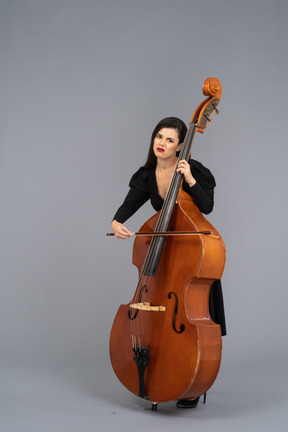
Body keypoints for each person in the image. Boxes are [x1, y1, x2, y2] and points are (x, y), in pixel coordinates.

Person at [111, 117, 226, 408]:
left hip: (187, 255)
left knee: (188, 311)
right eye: (159, 137)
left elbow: (207, 206)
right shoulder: (147, 175)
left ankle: (190, 383)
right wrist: (116, 223)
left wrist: (189, 179)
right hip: (162, 257)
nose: (162, 143)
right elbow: (128, 205)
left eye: (170, 140)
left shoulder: (192, 169)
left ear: (180, 146)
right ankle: (160, 376)